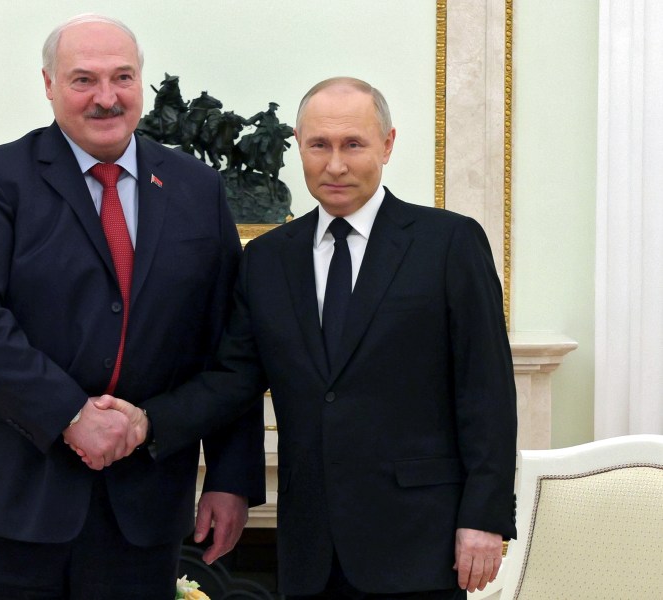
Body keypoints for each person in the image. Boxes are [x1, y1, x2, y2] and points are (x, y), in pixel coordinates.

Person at [82, 77, 517, 599]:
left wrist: (485, 518)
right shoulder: (268, 259)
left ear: (388, 144)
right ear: (297, 145)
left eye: (353, 144)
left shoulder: (449, 243)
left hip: (420, 542)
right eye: (319, 145)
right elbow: (233, 378)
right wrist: (149, 420)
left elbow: (486, 391)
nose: (335, 164)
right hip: (311, 547)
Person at [0, 13, 264, 599]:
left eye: (122, 78)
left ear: (142, 82)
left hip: (143, 506)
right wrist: (71, 415)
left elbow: (226, 342)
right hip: (7, 501)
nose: (106, 98)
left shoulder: (197, 187)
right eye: (84, 79)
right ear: (48, 84)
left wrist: (230, 479)